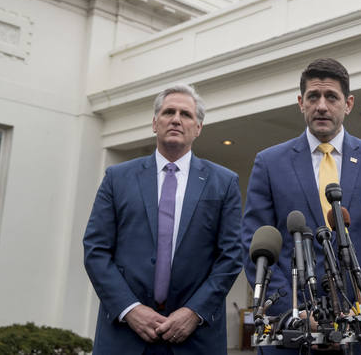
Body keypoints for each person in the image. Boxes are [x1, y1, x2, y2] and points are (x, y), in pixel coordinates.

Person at [241, 58, 361, 352]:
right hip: (289, 335)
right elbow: (254, 247)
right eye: (313, 96)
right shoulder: (269, 163)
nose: (321, 105)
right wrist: (295, 314)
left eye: (331, 96)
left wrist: (358, 312)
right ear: (300, 103)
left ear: (348, 103)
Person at [83, 84, 242, 354]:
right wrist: (130, 309)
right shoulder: (117, 178)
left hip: (195, 337)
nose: (177, 119)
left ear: (199, 127)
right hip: (125, 335)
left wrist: (194, 312)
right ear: (155, 123)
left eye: (186, 114)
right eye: (169, 112)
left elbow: (231, 256)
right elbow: (96, 250)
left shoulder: (224, 182)